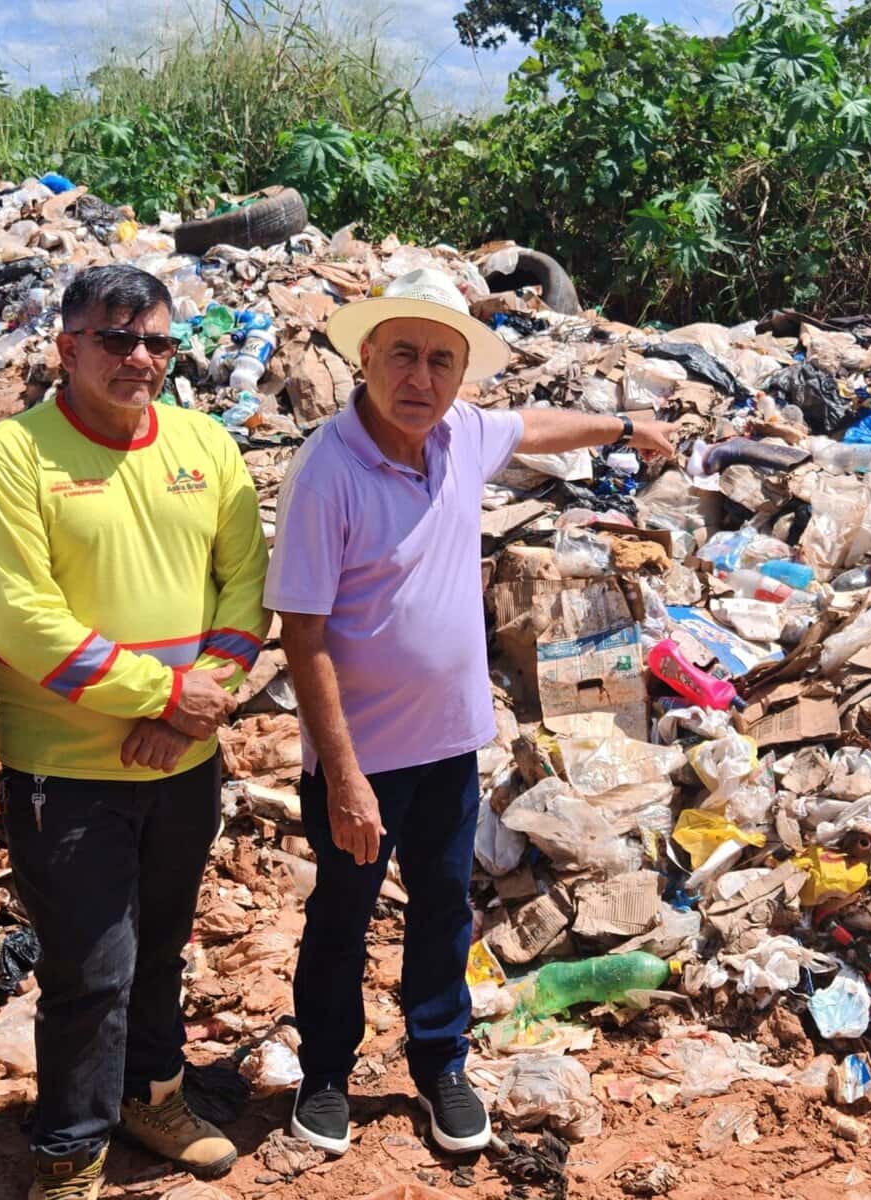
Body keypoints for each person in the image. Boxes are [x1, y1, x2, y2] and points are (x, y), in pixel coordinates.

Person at [266, 268, 678, 1157]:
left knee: (444, 909)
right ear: (365, 358)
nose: (420, 378)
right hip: (361, 760)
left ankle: (440, 1064)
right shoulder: (328, 472)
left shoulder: (458, 434)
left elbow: (532, 427)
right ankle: (326, 1074)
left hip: (450, 744)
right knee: (341, 918)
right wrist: (343, 778)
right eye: (402, 355)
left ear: (459, 375)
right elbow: (302, 632)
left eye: (440, 361)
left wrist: (624, 427)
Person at [0, 265, 268, 1200]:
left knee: (163, 951)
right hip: (67, 769)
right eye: (116, 338)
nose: (139, 358)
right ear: (67, 347)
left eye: (157, 342)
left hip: (184, 761)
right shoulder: (15, 456)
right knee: (89, 971)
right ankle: (68, 1152)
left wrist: (194, 707)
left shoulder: (204, 443)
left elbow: (246, 585)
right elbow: (23, 620)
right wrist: (162, 696)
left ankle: (152, 1098)